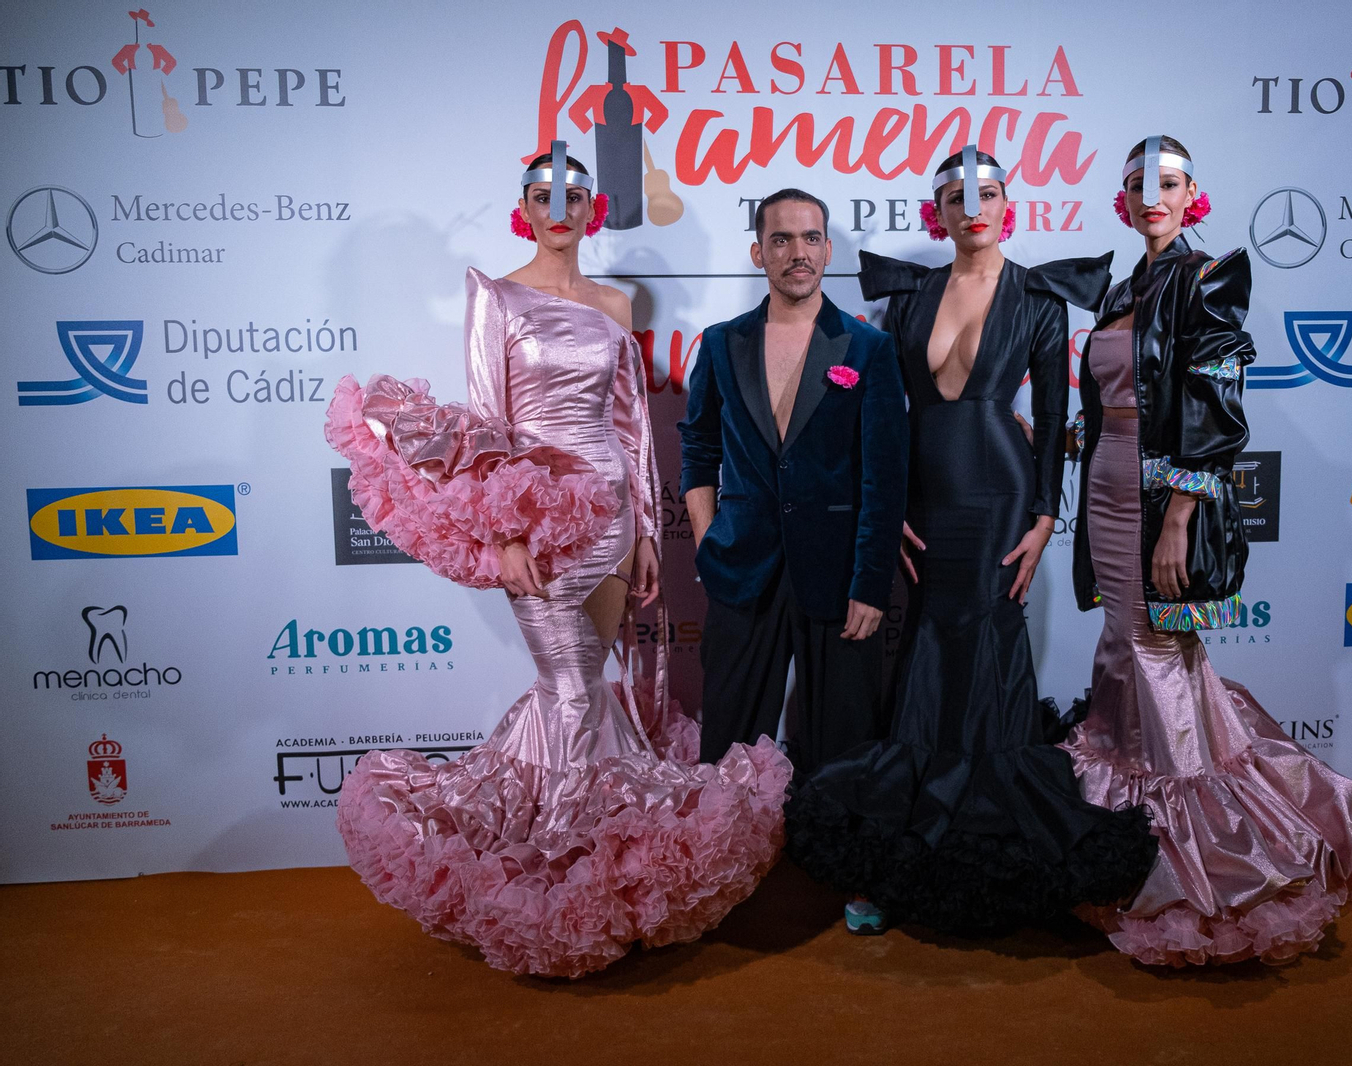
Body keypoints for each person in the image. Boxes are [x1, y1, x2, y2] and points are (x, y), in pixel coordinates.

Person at [323, 145, 790, 979]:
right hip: (537, 518)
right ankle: (562, 876)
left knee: (589, 688)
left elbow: (632, 424)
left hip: (609, 511)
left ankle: (601, 868)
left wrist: (647, 527)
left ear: (592, 210)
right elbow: (486, 416)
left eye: (576, 195)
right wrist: (503, 534)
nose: (562, 207)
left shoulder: (614, 299)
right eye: (546, 195)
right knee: (569, 686)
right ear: (527, 208)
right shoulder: (493, 294)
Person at [783, 148, 1159, 936]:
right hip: (921, 494)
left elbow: (1055, 419)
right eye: (956, 196)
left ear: (1005, 204)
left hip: (999, 493)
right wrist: (884, 514)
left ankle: (996, 845)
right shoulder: (910, 295)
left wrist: (1046, 518)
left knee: (985, 640)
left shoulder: (1038, 295)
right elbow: (885, 413)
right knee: (924, 642)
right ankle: (903, 850)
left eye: (987, 193)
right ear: (939, 212)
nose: (972, 207)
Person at [1065, 135, 1352, 966]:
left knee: (1149, 646)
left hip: (1163, 499)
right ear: (1122, 200)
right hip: (1107, 489)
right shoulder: (1122, 286)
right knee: (1141, 656)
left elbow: (1215, 404)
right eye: (1138, 185)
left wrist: (1182, 513)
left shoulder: (1209, 276)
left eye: (1170, 181)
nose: (1153, 194)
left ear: (1194, 195)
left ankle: (1203, 870)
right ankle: (1142, 844)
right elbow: (1116, 398)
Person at [679, 188, 908, 775]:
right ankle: (733, 857)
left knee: (845, 754)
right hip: (741, 565)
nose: (797, 252)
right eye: (781, 239)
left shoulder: (868, 348)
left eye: (810, 239)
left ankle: (831, 856)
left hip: (839, 574)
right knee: (728, 752)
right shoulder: (722, 343)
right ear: (759, 252)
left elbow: (885, 479)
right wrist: (708, 545)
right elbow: (699, 451)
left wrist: (872, 584)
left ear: (829, 249)